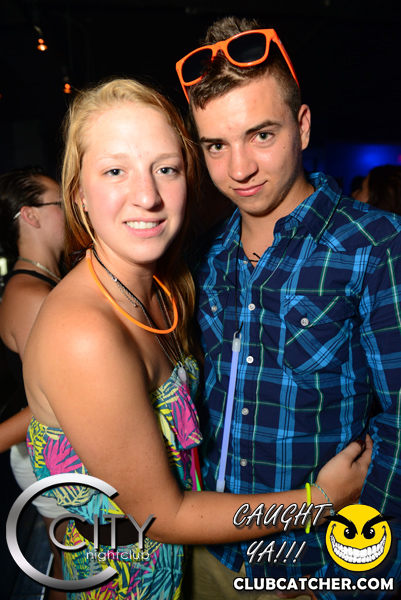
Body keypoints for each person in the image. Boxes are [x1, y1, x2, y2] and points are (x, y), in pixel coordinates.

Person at [23, 78, 371, 600]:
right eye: (115, 171)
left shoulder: (167, 288)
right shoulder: (84, 333)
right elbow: (163, 515)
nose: (147, 196)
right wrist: (316, 502)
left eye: (166, 168)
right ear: (79, 195)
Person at [175, 15, 401, 599]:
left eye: (261, 135)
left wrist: (350, 579)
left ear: (301, 126)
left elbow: (399, 428)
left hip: (316, 567)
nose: (239, 169)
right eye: (216, 145)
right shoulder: (204, 256)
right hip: (208, 554)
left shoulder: (375, 245)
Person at [0, 166, 66, 600]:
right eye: (61, 204)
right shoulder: (31, 296)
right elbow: (55, 402)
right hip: (47, 453)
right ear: (31, 215)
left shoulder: (44, 284)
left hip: (48, 449)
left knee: (71, 561)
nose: (73, 212)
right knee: (81, 562)